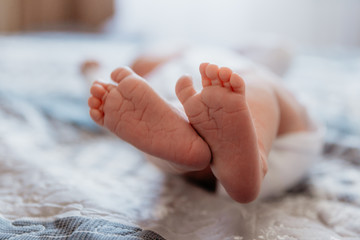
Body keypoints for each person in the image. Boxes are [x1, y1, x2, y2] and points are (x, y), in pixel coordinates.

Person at [87, 47, 322, 203]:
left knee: (250, 84)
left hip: (246, 141)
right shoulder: (138, 96)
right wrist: (94, 75)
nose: (146, 66)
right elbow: (279, 51)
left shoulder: (202, 54)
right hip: (239, 160)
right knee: (254, 84)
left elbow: (279, 52)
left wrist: (91, 70)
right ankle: (238, 156)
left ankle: (186, 150)